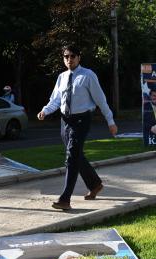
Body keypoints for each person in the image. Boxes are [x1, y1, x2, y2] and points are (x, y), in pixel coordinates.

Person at [37, 45, 117, 210]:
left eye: (73, 56)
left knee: (72, 156)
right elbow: (56, 100)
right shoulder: (62, 77)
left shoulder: (88, 75)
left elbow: (101, 99)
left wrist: (110, 120)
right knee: (76, 155)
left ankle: (65, 198)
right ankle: (95, 185)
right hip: (65, 121)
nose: (69, 59)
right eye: (66, 56)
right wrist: (45, 111)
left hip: (82, 120)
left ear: (79, 57)